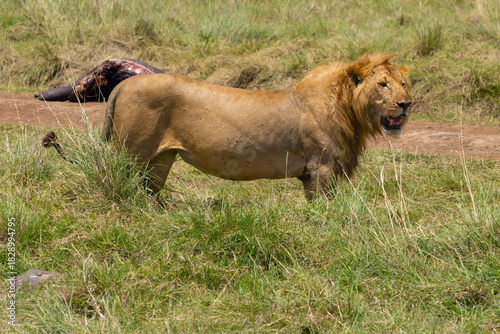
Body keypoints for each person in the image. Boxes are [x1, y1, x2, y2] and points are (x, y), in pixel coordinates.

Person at [34, 58, 164, 102]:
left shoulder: (163, 80)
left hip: (122, 74)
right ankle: (42, 95)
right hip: (115, 68)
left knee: (88, 92)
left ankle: (43, 95)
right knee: (78, 90)